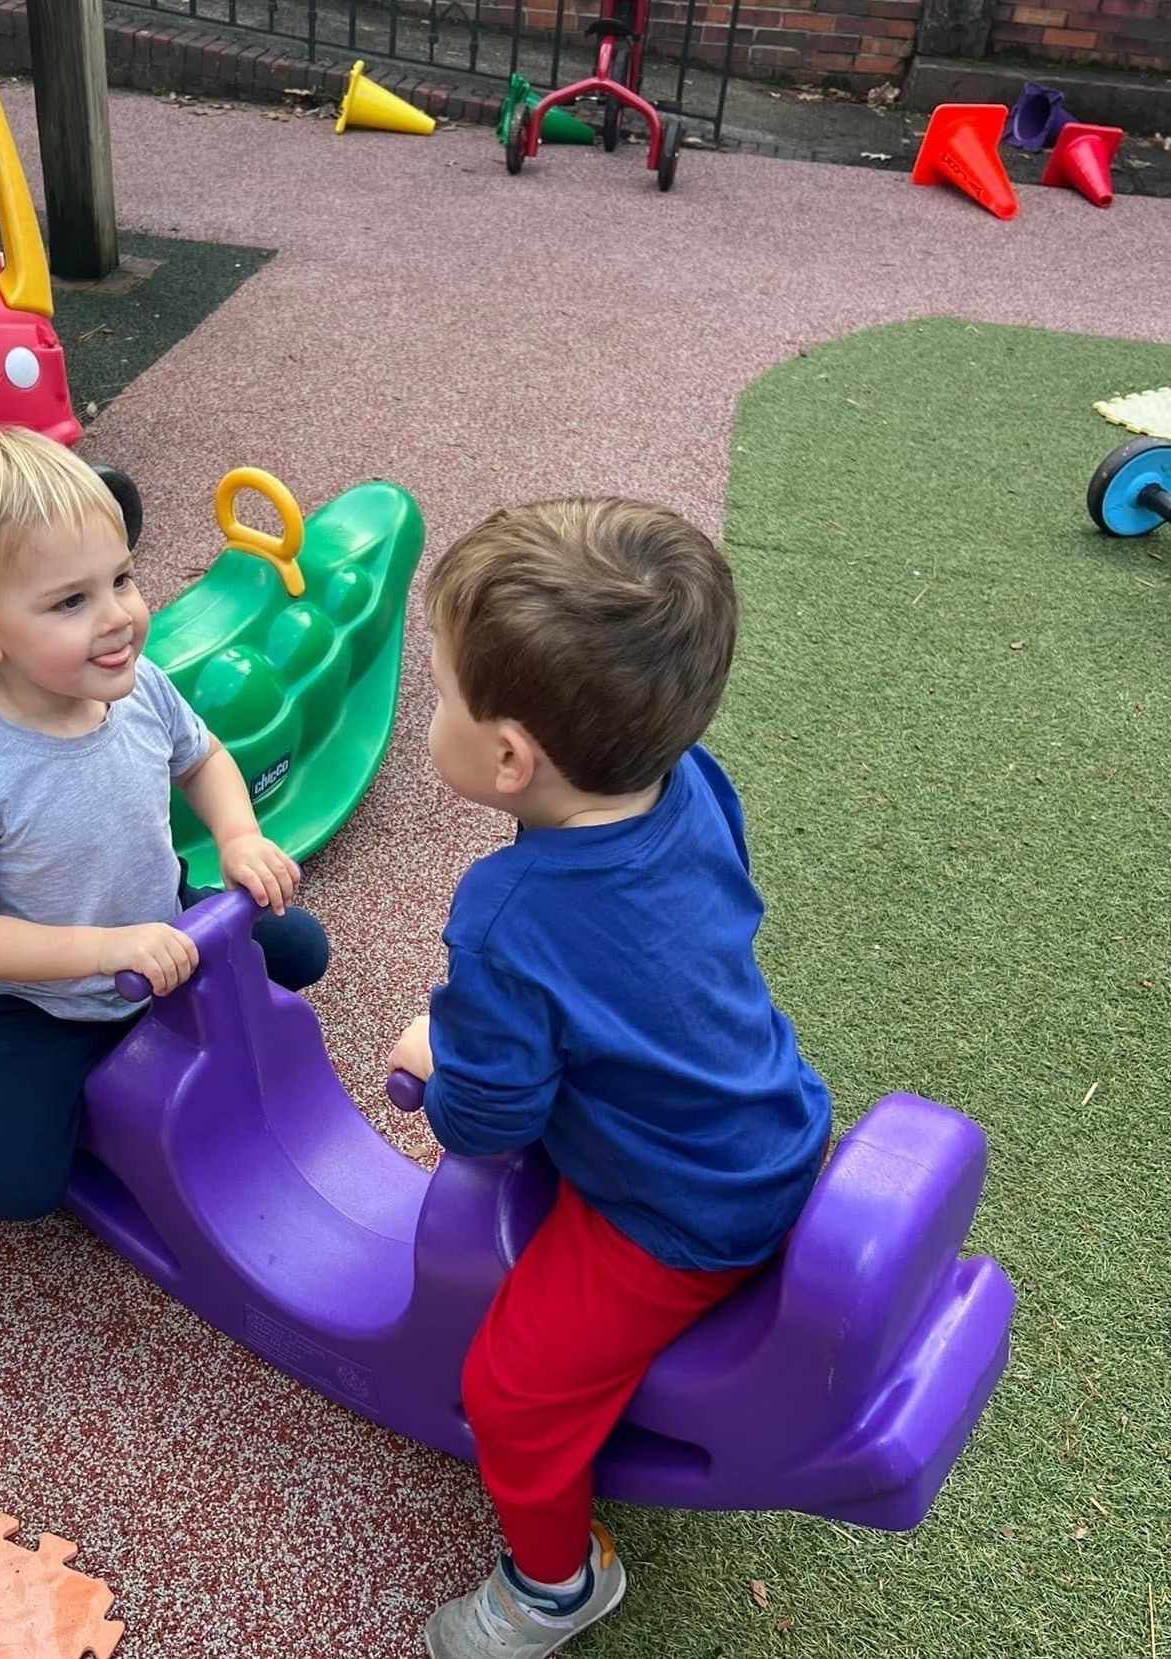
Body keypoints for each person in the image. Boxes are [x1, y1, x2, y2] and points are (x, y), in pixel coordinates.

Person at [388, 497, 832, 1659]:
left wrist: (436, 1061)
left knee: (513, 1395)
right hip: (779, 1119)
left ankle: (554, 1590)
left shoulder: (508, 917)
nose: (427, 712)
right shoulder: (691, 781)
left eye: (437, 693)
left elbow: (490, 1121)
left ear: (509, 758)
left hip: (677, 1213)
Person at [0, 426, 328, 1239]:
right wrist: (108, 948)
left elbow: (204, 758)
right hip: (44, 999)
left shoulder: (140, 686)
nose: (119, 617)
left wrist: (237, 835)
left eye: (121, 578)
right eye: (70, 602)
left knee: (302, 950)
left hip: (162, 916)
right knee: (16, 1187)